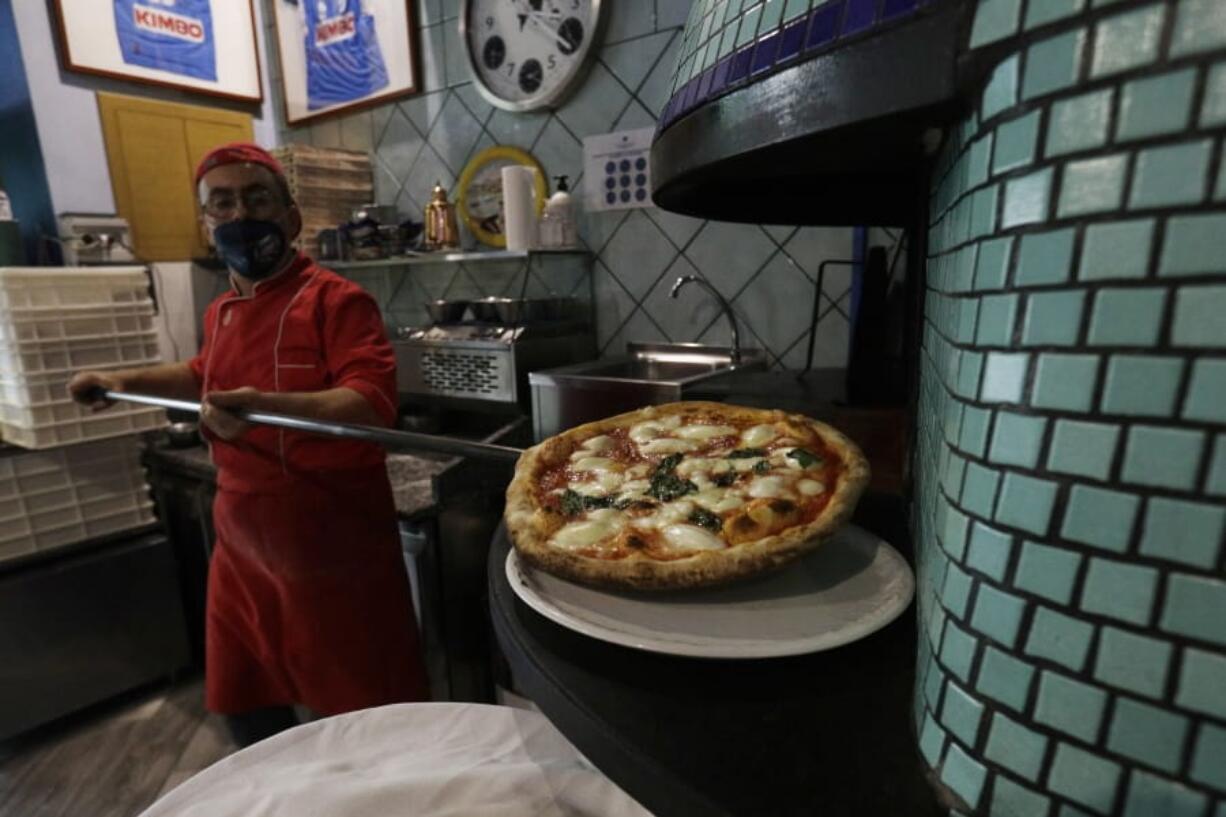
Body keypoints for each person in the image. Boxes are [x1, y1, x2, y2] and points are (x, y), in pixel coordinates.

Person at [68, 142, 428, 746]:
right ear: (208, 225)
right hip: (243, 543)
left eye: (257, 198)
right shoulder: (222, 310)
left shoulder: (338, 301)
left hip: (330, 540)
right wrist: (121, 380)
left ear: (290, 217)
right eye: (223, 204)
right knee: (247, 702)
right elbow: (201, 372)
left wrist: (263, 409)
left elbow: (370, 402)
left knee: (367, 719)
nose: (240, 216)